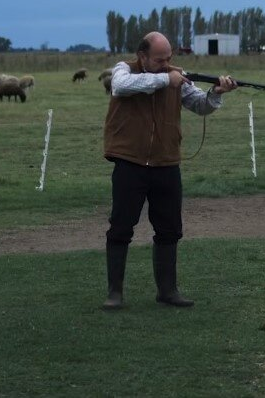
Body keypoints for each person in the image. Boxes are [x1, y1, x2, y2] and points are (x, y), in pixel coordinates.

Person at [101, 31, 238, 310]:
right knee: (121, 227)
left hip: (166, 163)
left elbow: (199, 105)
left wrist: (216, 93)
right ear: (142, 56)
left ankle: (168, 291)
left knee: (170, 228)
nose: (166, 64)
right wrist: (167, 79)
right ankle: (115, 293)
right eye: (159, 59)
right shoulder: (125, 69)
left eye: (168, 58)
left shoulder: (177, 76)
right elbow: (121, 86)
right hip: (129, 163)